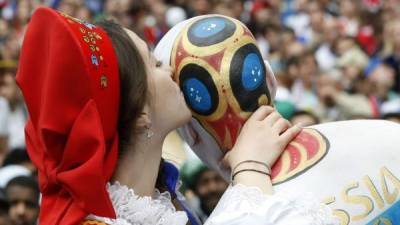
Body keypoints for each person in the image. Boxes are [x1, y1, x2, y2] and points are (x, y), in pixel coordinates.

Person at [17, 7, 336, 225]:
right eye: (153, 65)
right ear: (141, 112)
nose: (169, 70)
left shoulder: (161, 204)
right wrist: (250, 170)